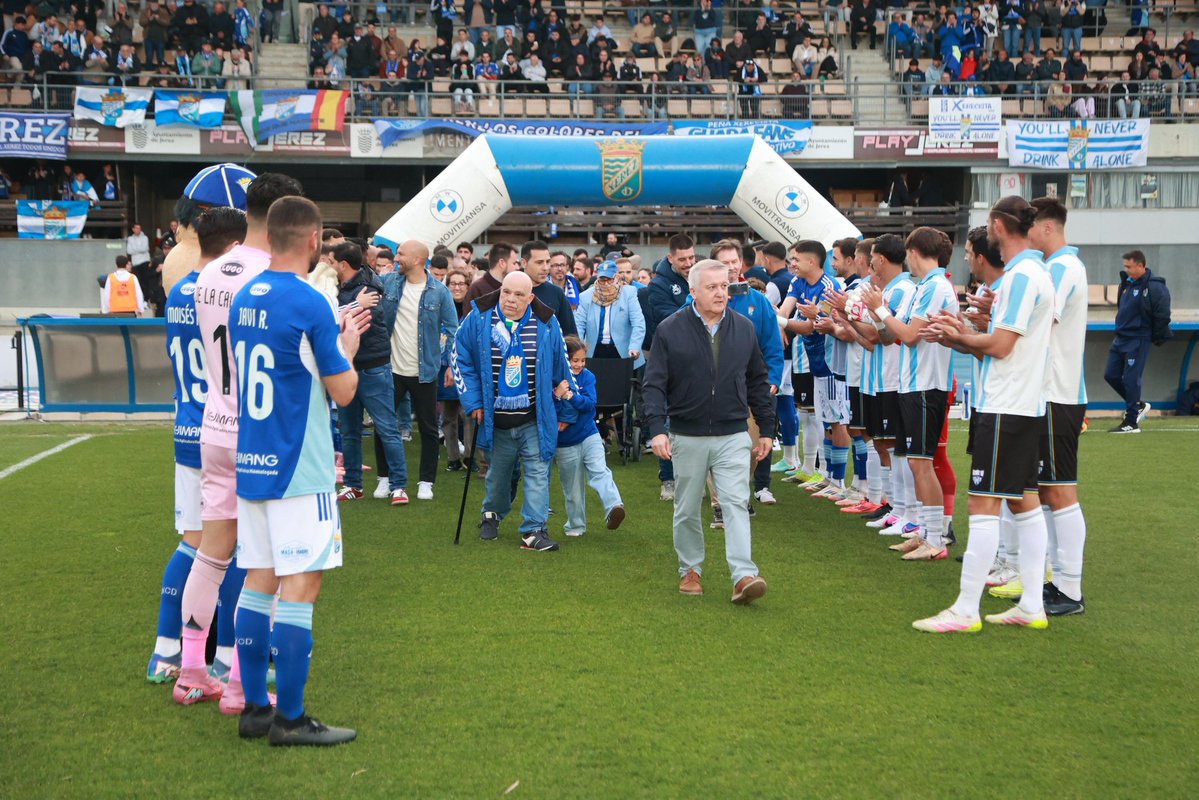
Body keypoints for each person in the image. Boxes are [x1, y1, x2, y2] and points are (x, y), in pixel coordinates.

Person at [230, 194, 369, 745]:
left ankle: (254, 710)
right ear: (314, 241)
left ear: (269, 238)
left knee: (258, 582)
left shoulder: (247, 296)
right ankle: (289, 719)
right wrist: (348, 348)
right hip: (299, 466)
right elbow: (342, 390)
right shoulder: (310, 302)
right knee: (300, 588)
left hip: (253, 460)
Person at [174, 172, 302, 712]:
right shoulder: (272, 276)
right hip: (257, 432)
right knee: (265, 565)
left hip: (213, 426)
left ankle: (190, 671)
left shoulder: (209, 274)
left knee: (211, 553)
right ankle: (240, 688)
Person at [913, 197, 1056, 633]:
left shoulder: (1021, 277)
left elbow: (1000, 347)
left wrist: (960, 334)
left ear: (997, 226)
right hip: (1024, 404)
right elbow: (1001, 342)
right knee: (1024, 502)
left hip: (1006, 405)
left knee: (984, 504)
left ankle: (966, 609)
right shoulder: (1035, 274)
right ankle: (1032, 603)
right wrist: (957, 337)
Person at [147, 206, 245, 684]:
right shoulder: (228, 295)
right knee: (233, 550)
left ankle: (167, 654)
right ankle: (229, 657)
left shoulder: (179, 293)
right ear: (233, 248)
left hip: (187, 423)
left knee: (194, 544)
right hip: (225, 430)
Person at [643, 259, 775, 604]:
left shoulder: (744, 328)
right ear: (693, 292)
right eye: (712, 287)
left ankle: (744, 575)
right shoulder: (669, 329)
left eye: (724, 286)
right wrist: (657, 429)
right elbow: (654, 384)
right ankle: (690, 570)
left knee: (735, 502)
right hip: (686, 434)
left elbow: (758, 380)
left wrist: (766, 429)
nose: (721, 293)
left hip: (733, 432)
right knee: (686, 507)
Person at [453, 271, 575, 551]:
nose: (511, 299)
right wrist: (473, 402)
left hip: (535, 416)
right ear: (500, 290)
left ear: (530, 298)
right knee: (499, 474)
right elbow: (460, 359)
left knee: (537, 470)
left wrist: (567, 408)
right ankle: (491, 513)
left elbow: (562, 365)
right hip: (495, 419)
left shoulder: (546, 322)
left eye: (519, 294)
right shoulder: (479, 317)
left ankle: (534, 530)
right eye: (506, 292)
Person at [859, 226, 957, 560]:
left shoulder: (936, 286)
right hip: (912, 384)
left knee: (922, 462)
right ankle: (925, 531)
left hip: (927, 385)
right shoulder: (922, 287)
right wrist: (877, 312)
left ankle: (935, 540)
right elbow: (892, 334)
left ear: (914, 253)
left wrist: (881, 311)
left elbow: (910, 335)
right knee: (916, 462)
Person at [1026, 196, 1089, 615]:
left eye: (1028, 225)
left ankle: (1069, 588)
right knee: (1047, 489)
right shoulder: (1053, 267)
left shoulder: (1064, 267)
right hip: (1045, 392)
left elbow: (1040, 322)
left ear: (1047, 227)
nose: (1024, 233)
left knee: (1060, 489)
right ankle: (1056, 580)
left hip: (1057, 393)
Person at [328, 242, 410, 506]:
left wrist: (350, 305)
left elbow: (346, 321)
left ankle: (399, 486)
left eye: (331, 261)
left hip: (373, 366)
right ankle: (353, 484)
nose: (328, 265)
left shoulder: (369, 287)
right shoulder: (342, 288)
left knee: (386, 427)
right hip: (349, 365)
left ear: (342, 264)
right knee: (349, 430)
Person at [376, 240, 459, 501]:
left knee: (427, 429)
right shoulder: (389, 282)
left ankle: (426, 482)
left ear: (417, 260)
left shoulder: (439, 292)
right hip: (391, 369)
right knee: (383, 425)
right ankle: (384, 478)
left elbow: (453, 329)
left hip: (425, 371)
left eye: (401, 253)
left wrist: (449, 364)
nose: (396, 257)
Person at [555, 335, 626, 537]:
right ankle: (575, 526)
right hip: (565, 443)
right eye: (574, 360)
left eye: (582, 360)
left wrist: (568, 396)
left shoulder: (588, 377)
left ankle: (614, 506)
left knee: (600, 471)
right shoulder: (554, 378)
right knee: (572, 489)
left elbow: (589, 405)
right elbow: (553, 409)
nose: (579, 365)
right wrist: (560, 397)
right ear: (564, 359)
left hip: (589, 435)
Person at [646, 233, 697, 502]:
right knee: (668, 419)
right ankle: (668, 478)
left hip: (700, 360)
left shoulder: (702, 275)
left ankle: (696, 478)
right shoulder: (659, 285)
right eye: (682, 259)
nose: (689, 263)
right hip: (669, 360)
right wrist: (695, 306)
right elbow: (667, 319)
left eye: (691, 257)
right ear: (670, 258)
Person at [1105, 250, 1171, 433]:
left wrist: (1155, 335)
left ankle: (1131, 422)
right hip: (1120, 338)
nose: (1125, 270)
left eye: (1129, 266)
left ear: (1141, 265)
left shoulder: (1154, 287)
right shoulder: (1126, 284)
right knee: (1110, 375)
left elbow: (1163, 314)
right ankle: (1138, 405)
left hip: (1138, 339)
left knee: (1131, 380)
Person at [575, 259, 645, 366]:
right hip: (594, 352)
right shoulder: (585, 296)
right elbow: (579, 325)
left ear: (616, 277)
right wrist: (578, 349)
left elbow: (638, 323)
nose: (606, 284)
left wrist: (634, 347)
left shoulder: (629, 293)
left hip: (623, 351)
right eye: (602, 280)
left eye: (610, 280)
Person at [441, 265, 476, 472]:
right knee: (448, 415)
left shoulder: (472, 311)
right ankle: (453, 458)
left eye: (461, 283)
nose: (456, 287)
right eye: (452, 283)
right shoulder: (442, 308)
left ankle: (470, 457)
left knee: (469, 414)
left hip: (467, 369)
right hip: (444, 367)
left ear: (468, 286)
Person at [523, 240, 577, 336]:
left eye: (548, 262)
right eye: (539, 262)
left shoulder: (557, 293)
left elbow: (570, 335)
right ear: (524, 263)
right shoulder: (510, 291)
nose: (545, 268)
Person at [464, 241, 519, 306]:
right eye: (514, 263)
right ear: (502, 263)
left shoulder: (516, 287)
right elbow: (470, 315)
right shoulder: (476, 289)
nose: (517, 267)